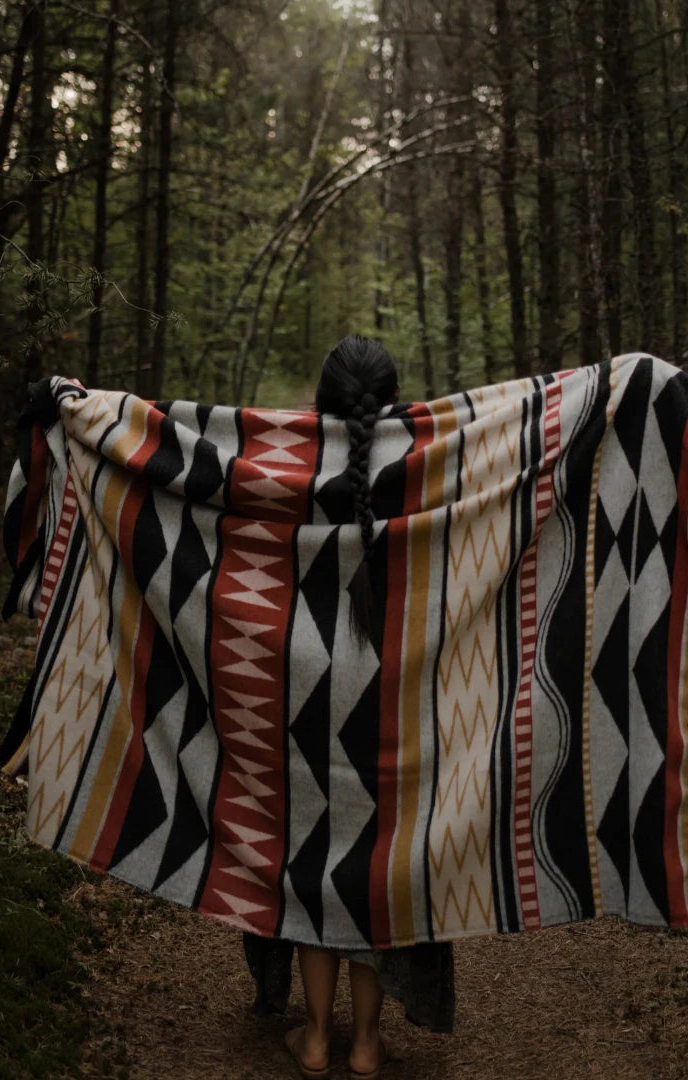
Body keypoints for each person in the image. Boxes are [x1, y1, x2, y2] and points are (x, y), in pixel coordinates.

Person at [244, 335, 454, 1080]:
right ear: (392, 396)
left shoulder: (285, 460)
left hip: (302, 682)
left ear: (321, 398)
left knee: (311, 856)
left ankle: (316, 1037)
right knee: (376, 860)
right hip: (396, 681)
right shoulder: (429, 459)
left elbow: (196, 475)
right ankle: (366, 1043)